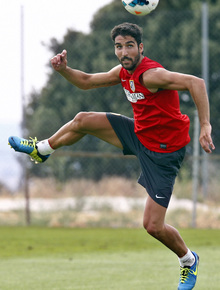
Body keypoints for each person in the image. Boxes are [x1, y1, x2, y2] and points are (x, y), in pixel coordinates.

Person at [9, 22, 215, 289]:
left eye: (130, 45)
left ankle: (188, 260)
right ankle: (42, 150)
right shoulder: (122, 72)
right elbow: (85, 82)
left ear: (140, 47)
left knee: (153, 226)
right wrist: (63, 70)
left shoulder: (151, 74)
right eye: (119, 46)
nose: (124, 51)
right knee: (83, 120)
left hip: (164, 153)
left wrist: (206, 125)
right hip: (139, 134)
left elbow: (195, 82)